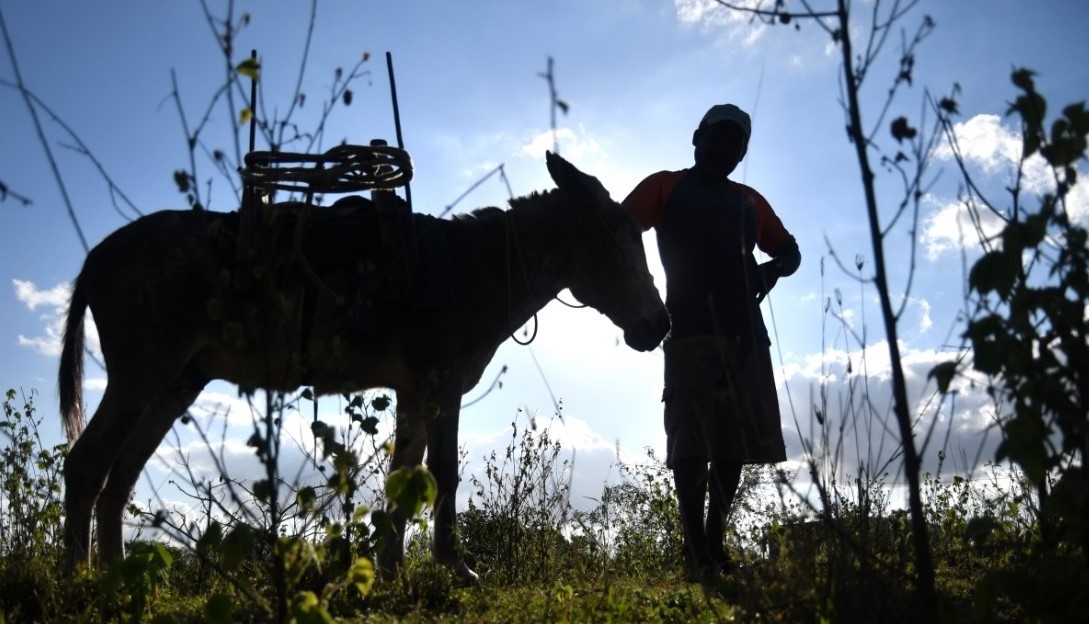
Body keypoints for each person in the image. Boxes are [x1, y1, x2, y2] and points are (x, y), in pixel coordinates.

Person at [622, 103, 800, 581]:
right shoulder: (665, 186)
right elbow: (618, 230)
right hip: (687, 329)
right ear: (697, 138)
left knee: (733, 444)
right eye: (717, 137)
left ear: (741, 152)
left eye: (735, 142)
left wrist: (771, 270)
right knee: (691, 438)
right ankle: (694, 548)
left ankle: (714, 544)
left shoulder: (749, 201)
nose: (725, 147)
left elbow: (790, 250)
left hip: (746, 332)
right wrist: (640, 295)